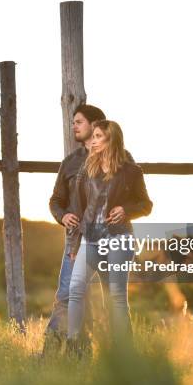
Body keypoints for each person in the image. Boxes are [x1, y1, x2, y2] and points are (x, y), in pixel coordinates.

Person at [66, 120, 152, 352]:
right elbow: (79, 208)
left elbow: (146, 205)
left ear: (111, 139)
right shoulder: (87, 169)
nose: (92, 141)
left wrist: (127, 210)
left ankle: (124, 351)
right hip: (91, 240)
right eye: (92, 136)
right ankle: (71, 345)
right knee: (75, 289)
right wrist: (75, 244)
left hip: (119, 240)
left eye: (97, 136)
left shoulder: (132, 171)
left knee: (116, 296)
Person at [43, 104, 109, 354]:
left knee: (113, 302)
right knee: (67, 296)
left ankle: (120, 361)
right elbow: (55, 201)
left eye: (79, 121)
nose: (74, 126)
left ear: (95, 125)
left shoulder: (118, 158)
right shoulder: (70, 163)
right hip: (77, 242)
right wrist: (64, 215)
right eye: (73, 122)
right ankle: (52, 354)